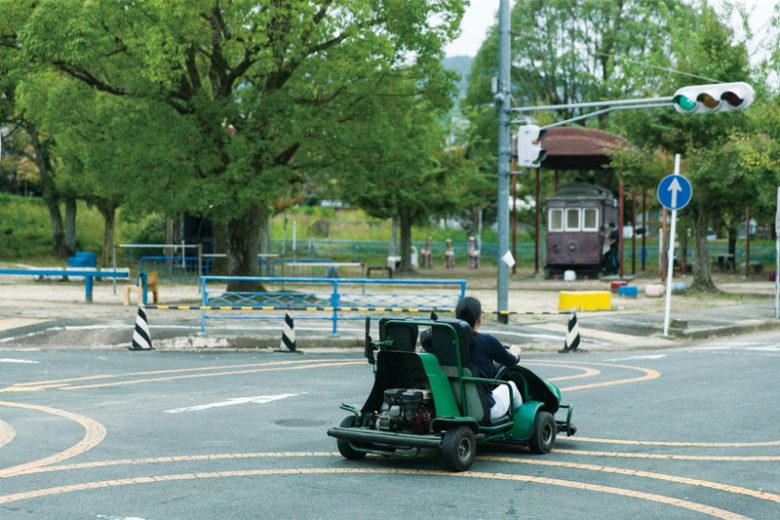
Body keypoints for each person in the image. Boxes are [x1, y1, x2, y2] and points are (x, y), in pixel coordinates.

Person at [455, 297, 523, 422]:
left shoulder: (447, 342)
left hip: (454, 406)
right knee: (511, 386)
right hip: (485, 409)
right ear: (478, 320)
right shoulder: (487, 341)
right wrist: (515, 351)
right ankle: (520, 420)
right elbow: (511, 360)